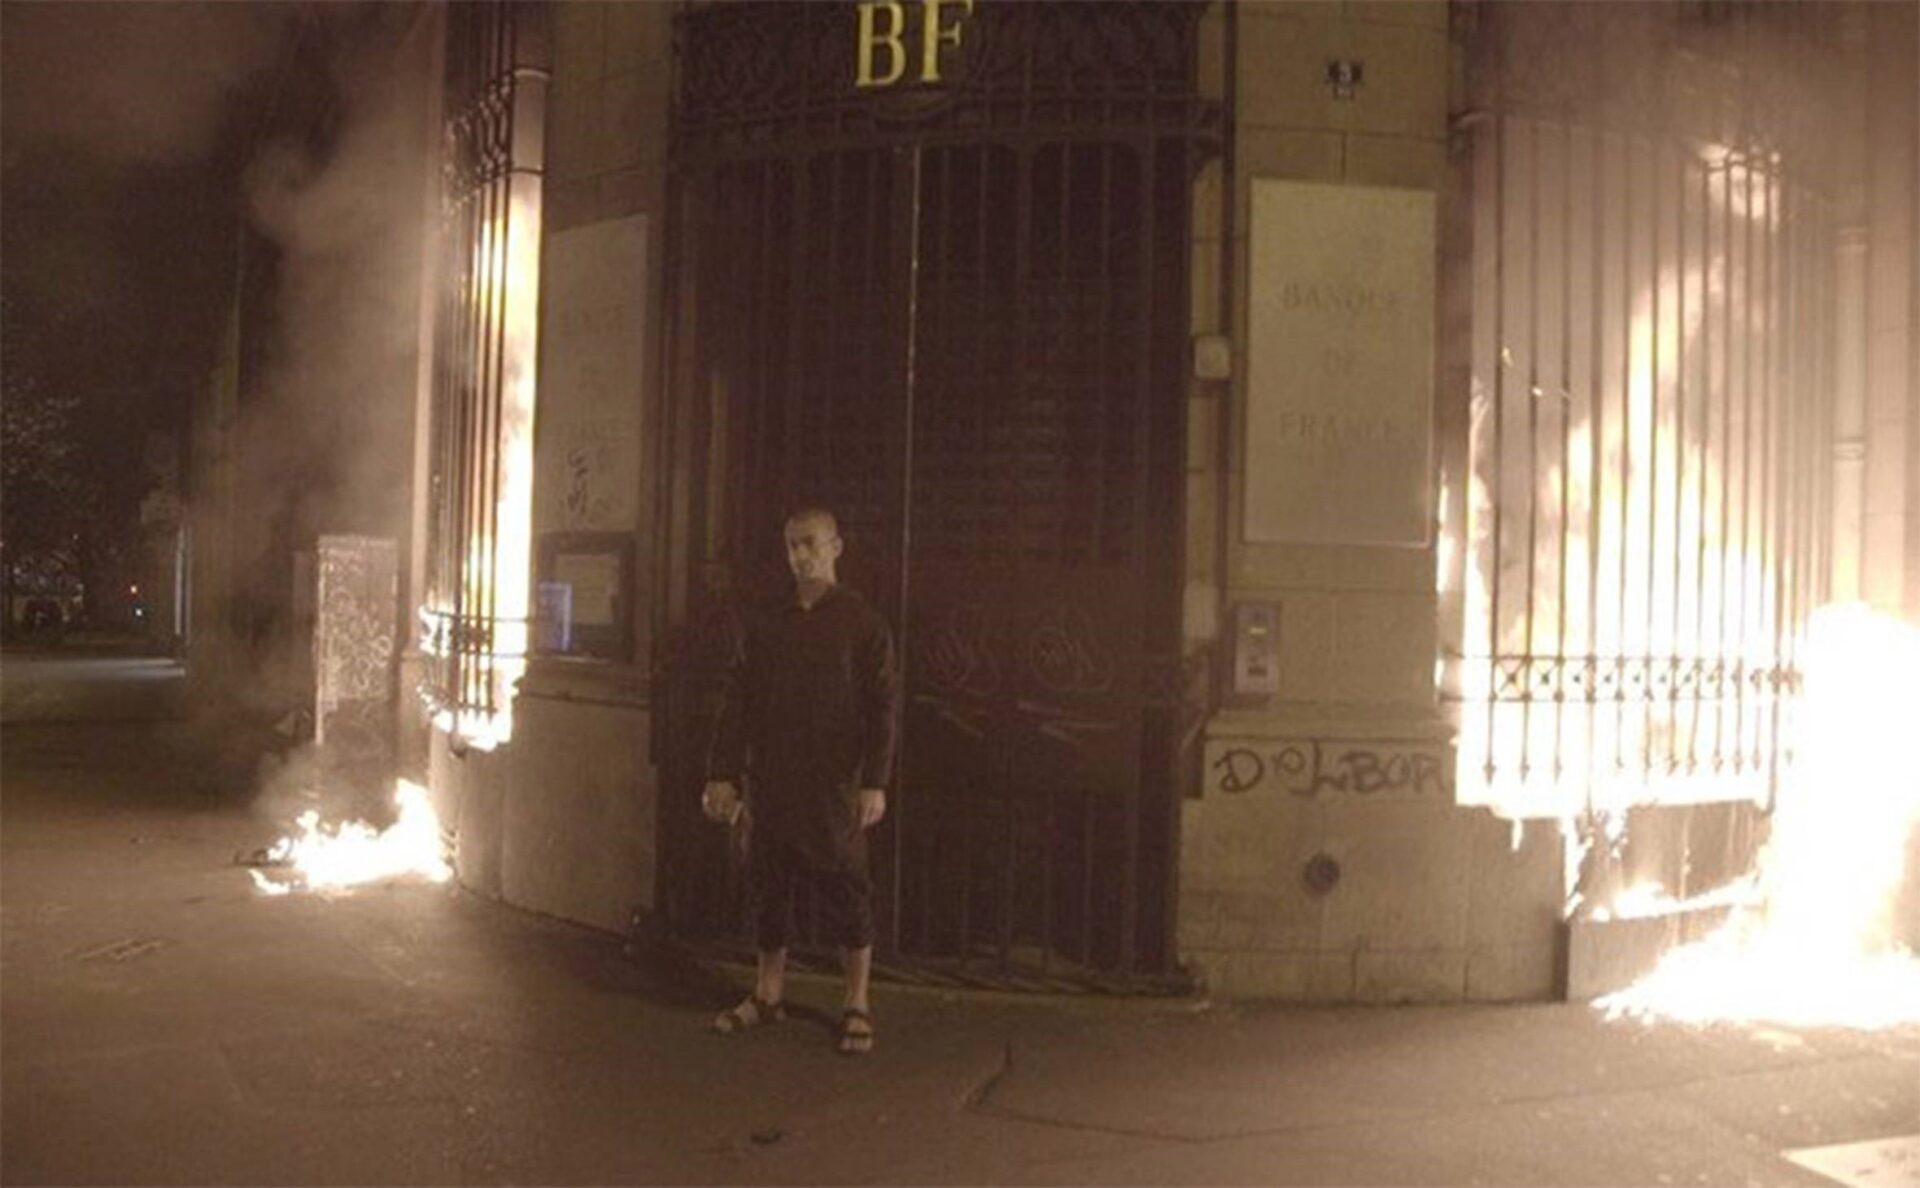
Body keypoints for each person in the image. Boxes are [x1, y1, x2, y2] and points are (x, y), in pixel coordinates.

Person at [701, 506, 899, 1055]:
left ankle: (856, 1001)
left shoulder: (863, 624)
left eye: (810, 543)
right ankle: (768, 994)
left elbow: (884, 709)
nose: (800, 556)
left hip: (834, 783)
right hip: (771, 778)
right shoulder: (766, 620)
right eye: (792, 545)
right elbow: (737, 699)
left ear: (836, 547)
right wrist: (722, 773)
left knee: (847, 888)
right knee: (769, 887)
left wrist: (875, 781)